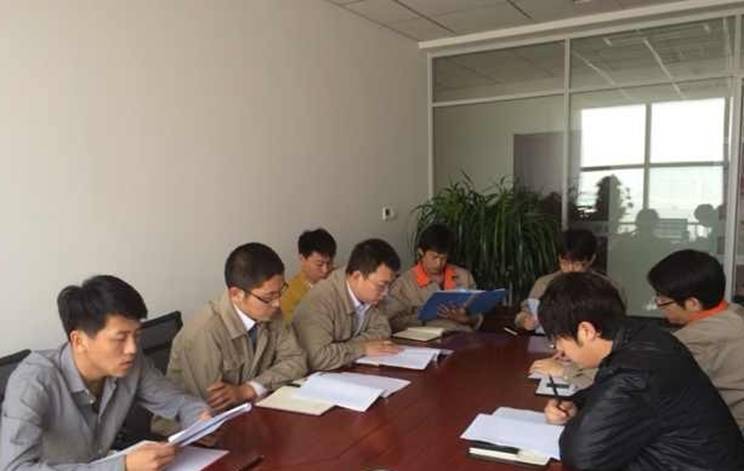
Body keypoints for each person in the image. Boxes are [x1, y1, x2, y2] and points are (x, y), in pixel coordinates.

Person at [0, 275, 209, 471]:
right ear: (79, 341)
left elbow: (179, 402)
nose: (132, 349)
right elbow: (14, 468)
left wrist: (201, 418)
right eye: (120, 338)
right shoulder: (33, 382)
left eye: (137, 335)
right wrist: (122, 466)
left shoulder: (132, 363)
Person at [539, 272, 744, 470]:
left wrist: (578, 422)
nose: (560, 350)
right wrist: (577, 403)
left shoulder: (635, 372)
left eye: (558, 341)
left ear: (586, 331)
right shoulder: (644, 336)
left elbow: (580, 456)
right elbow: (611, 389)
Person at [152, 243, 307, 435]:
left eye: (281, 291)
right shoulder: (205, 332)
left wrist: (248, 389)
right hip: (195, 432)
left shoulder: (269, 311)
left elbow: (297, 360)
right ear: (236, 294)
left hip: (250, 417)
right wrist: (260, 389)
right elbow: (211, 406)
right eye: (269, 296)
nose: (278, 303)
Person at [648, 249, 744, 429]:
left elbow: (643, 382)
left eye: (663, 300)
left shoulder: (697, 339)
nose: (658, 304)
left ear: (693, 303)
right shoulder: (735, 312)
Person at [293, 238, 401, 371]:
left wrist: (344, 348)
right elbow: (317, 358)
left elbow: (383, 329)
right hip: (320, 377)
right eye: (381, 285)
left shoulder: (370, 294)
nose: (385, 293)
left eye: (389, 285)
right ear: (357, 276)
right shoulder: (320, 301)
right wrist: (362, 348)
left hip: (350, 369)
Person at [386, 224, 480, 333]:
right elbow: (393, 322)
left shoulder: (464, 276)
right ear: (421, 252)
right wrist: (423, 317)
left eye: (443, 258)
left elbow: (478, 314)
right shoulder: (403, 284)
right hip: (427, 338)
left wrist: (467, 319)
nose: (438, 263)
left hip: (464, 335)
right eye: (434, 257)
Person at [280, 228, 336, 323]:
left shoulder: (340, 278)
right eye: (319, 264)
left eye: (329, 263)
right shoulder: (288, 295)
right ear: (302, 259)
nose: (325, 270)